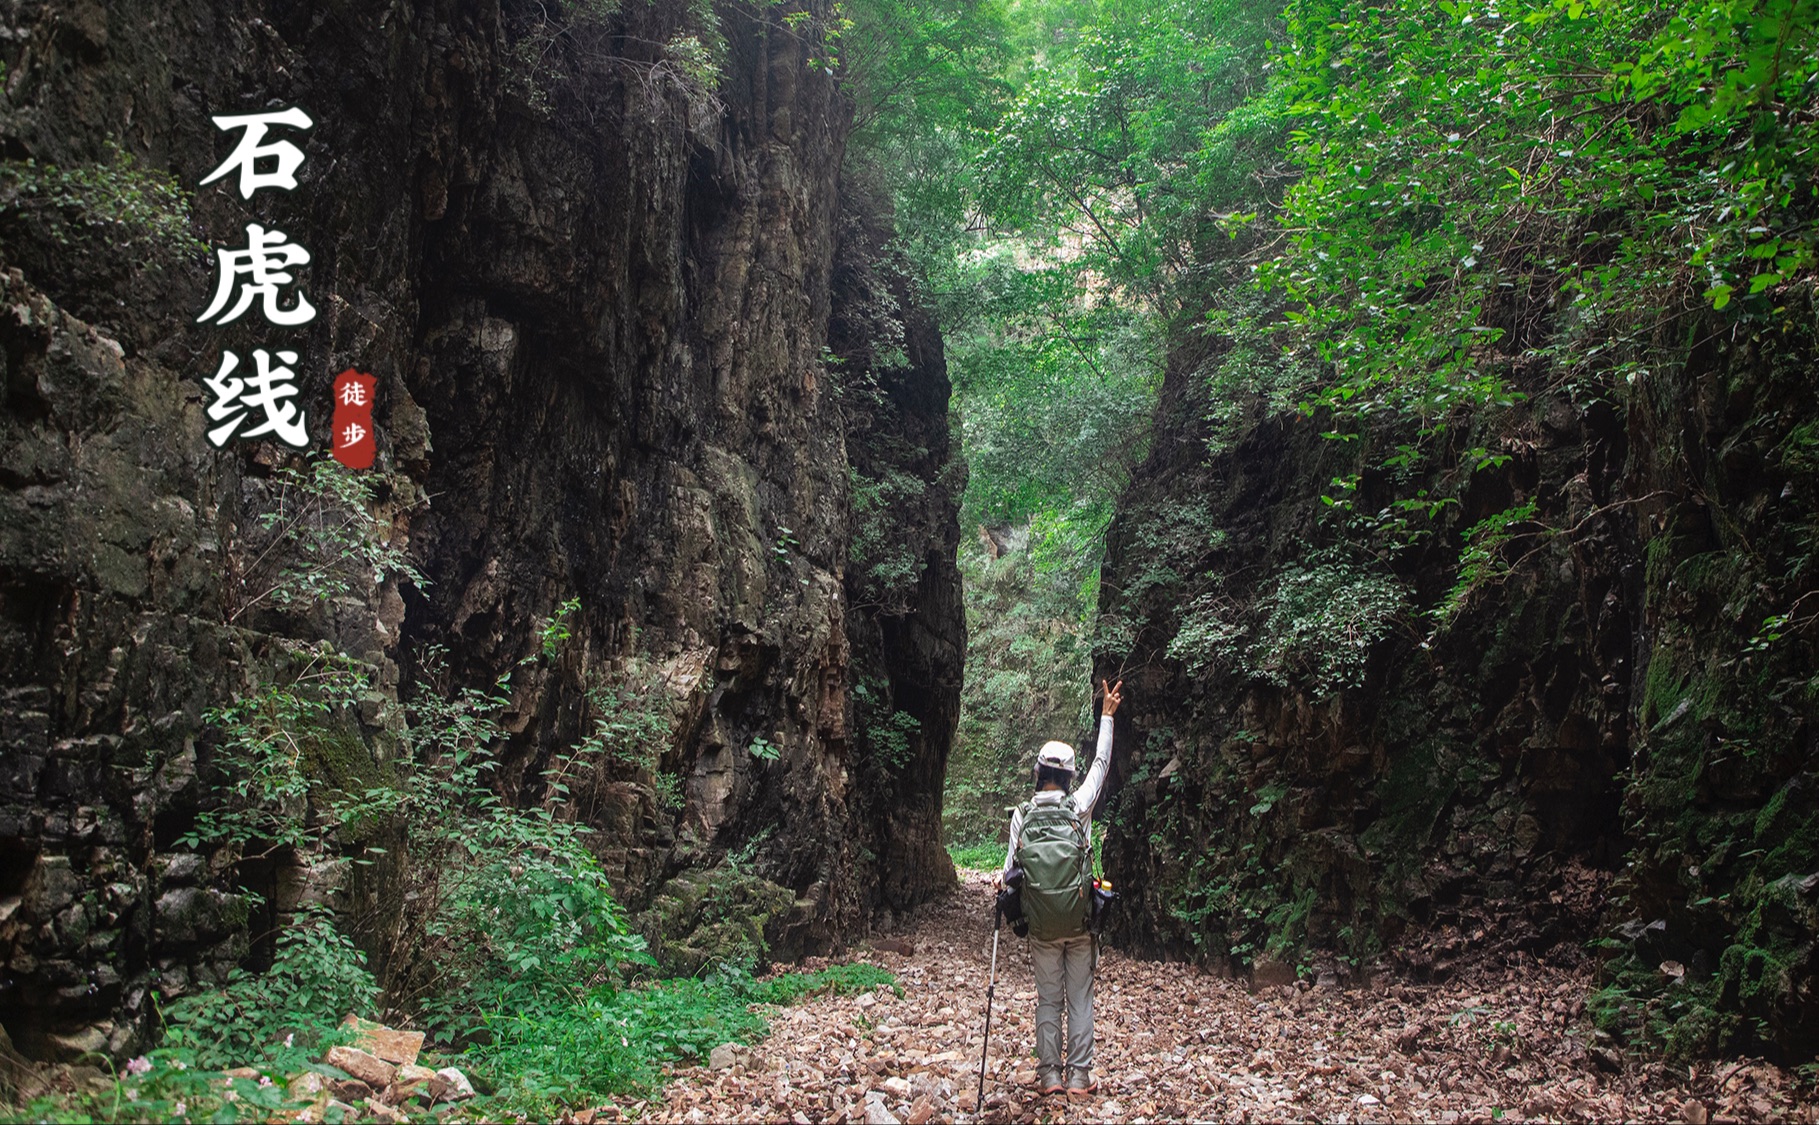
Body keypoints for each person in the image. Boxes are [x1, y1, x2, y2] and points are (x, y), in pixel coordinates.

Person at [998, 678, 1122, 1097]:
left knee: (1049, 1000)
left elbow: (1008, 876)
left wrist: (1015, 914)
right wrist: (1107, 717)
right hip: (1080, 920)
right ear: (1069, 777)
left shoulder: (1022, 816)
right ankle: (1079, 1077)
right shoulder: (1080, 806)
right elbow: (1101, 767)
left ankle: (1050, 1075)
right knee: (1080, 999)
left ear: (1037, 774)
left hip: (1043, 929)